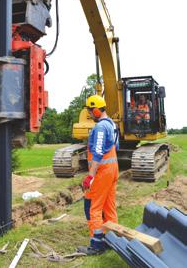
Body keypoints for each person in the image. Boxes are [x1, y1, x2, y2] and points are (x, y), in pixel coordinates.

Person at [77, 95, 119, 255]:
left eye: (89, 111)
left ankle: (96, 245)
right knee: (109, 206)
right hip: (112, 169)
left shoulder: (101, 127)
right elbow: (116, 145)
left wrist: (90, 176)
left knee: (94, 206)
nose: (89, 114)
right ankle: (112, 239)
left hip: (103, 171)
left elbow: (98, 151)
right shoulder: (112, 124)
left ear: (95, 110)